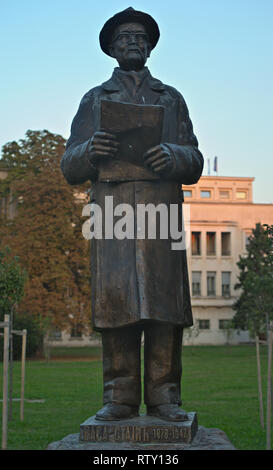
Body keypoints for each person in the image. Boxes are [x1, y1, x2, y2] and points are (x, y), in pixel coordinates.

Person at [61, 7, 203, 421]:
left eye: (140, 36)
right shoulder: (94, 99)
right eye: (125, 36)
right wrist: (91, 151)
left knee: (164, 305)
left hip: (162, 213)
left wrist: (172, 155)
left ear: (150, 45)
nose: (133, 41)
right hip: (112, 214)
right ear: (111, 47)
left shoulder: (170, 98)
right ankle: (118, 397)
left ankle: (165, 397)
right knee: (116, 301)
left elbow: (194, 159)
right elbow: (70, 164)